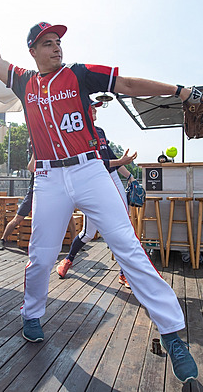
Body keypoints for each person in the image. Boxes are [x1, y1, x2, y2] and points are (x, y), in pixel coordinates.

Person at [0, 0, 198, 383]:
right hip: (47, 177)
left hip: (90, 170)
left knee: (128, 248)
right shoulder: (24, 82)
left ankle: (171, 332)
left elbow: (127, 82)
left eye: (59, 40)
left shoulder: (78, 73)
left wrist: (178, 91)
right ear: (33, 50)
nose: (57, 45)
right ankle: (31, 315)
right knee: (41, 255)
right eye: (48, 42)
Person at [56, 103, 136, 289]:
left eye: (95, 107)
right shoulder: (79, 132)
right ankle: (68, 260)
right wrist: (120, 161)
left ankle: (124, 273)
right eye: (91, 107)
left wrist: (130, 176)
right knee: (88, 233)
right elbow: (97, 163)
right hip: (93, 182)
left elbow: (112, 160)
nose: (94, 110)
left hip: (111, 178)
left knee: (122, 227)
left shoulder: (99, 131)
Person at [0, 155, 77, 250]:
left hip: (52, 192)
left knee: (69, 216)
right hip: (34, 191)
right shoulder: (37, 154)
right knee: (18, 218)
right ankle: (2, 240)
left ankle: (74, 243)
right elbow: (31, 168)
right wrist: (36, 152)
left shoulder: (54, 156)